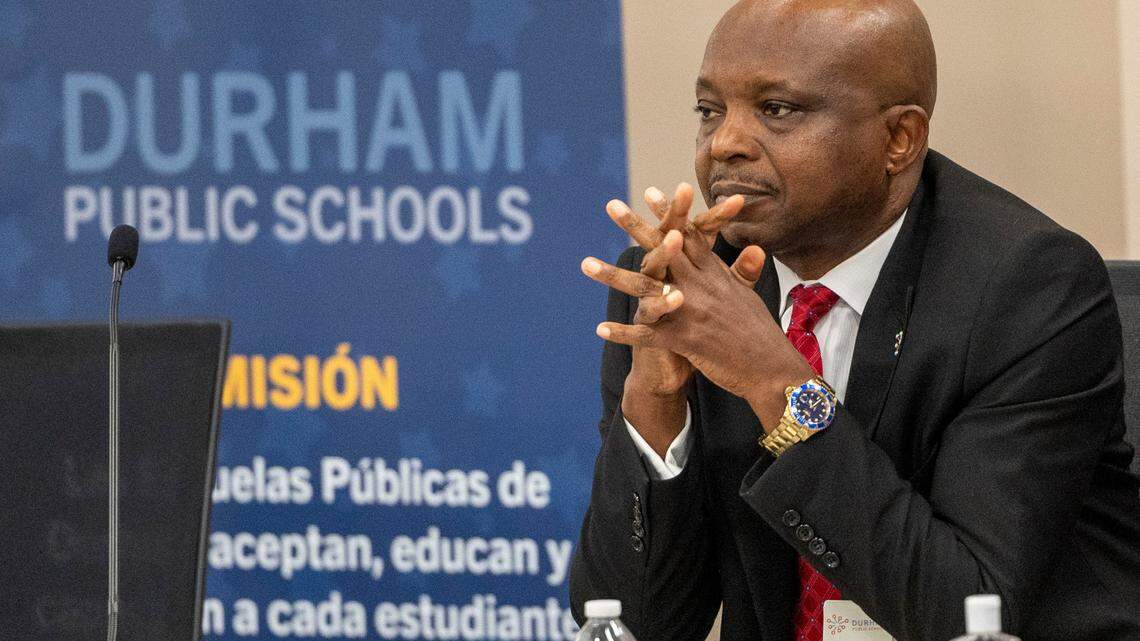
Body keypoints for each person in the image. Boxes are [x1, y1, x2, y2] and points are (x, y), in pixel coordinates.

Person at [568, 1, 1140, 640]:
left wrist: (774, 382)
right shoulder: (684, 288)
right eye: (710, 110)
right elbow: (631, 623)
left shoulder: (1028, 288)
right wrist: (653, 407)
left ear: (900, 139)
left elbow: (967, 615)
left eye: (778, 110)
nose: (725, 142)